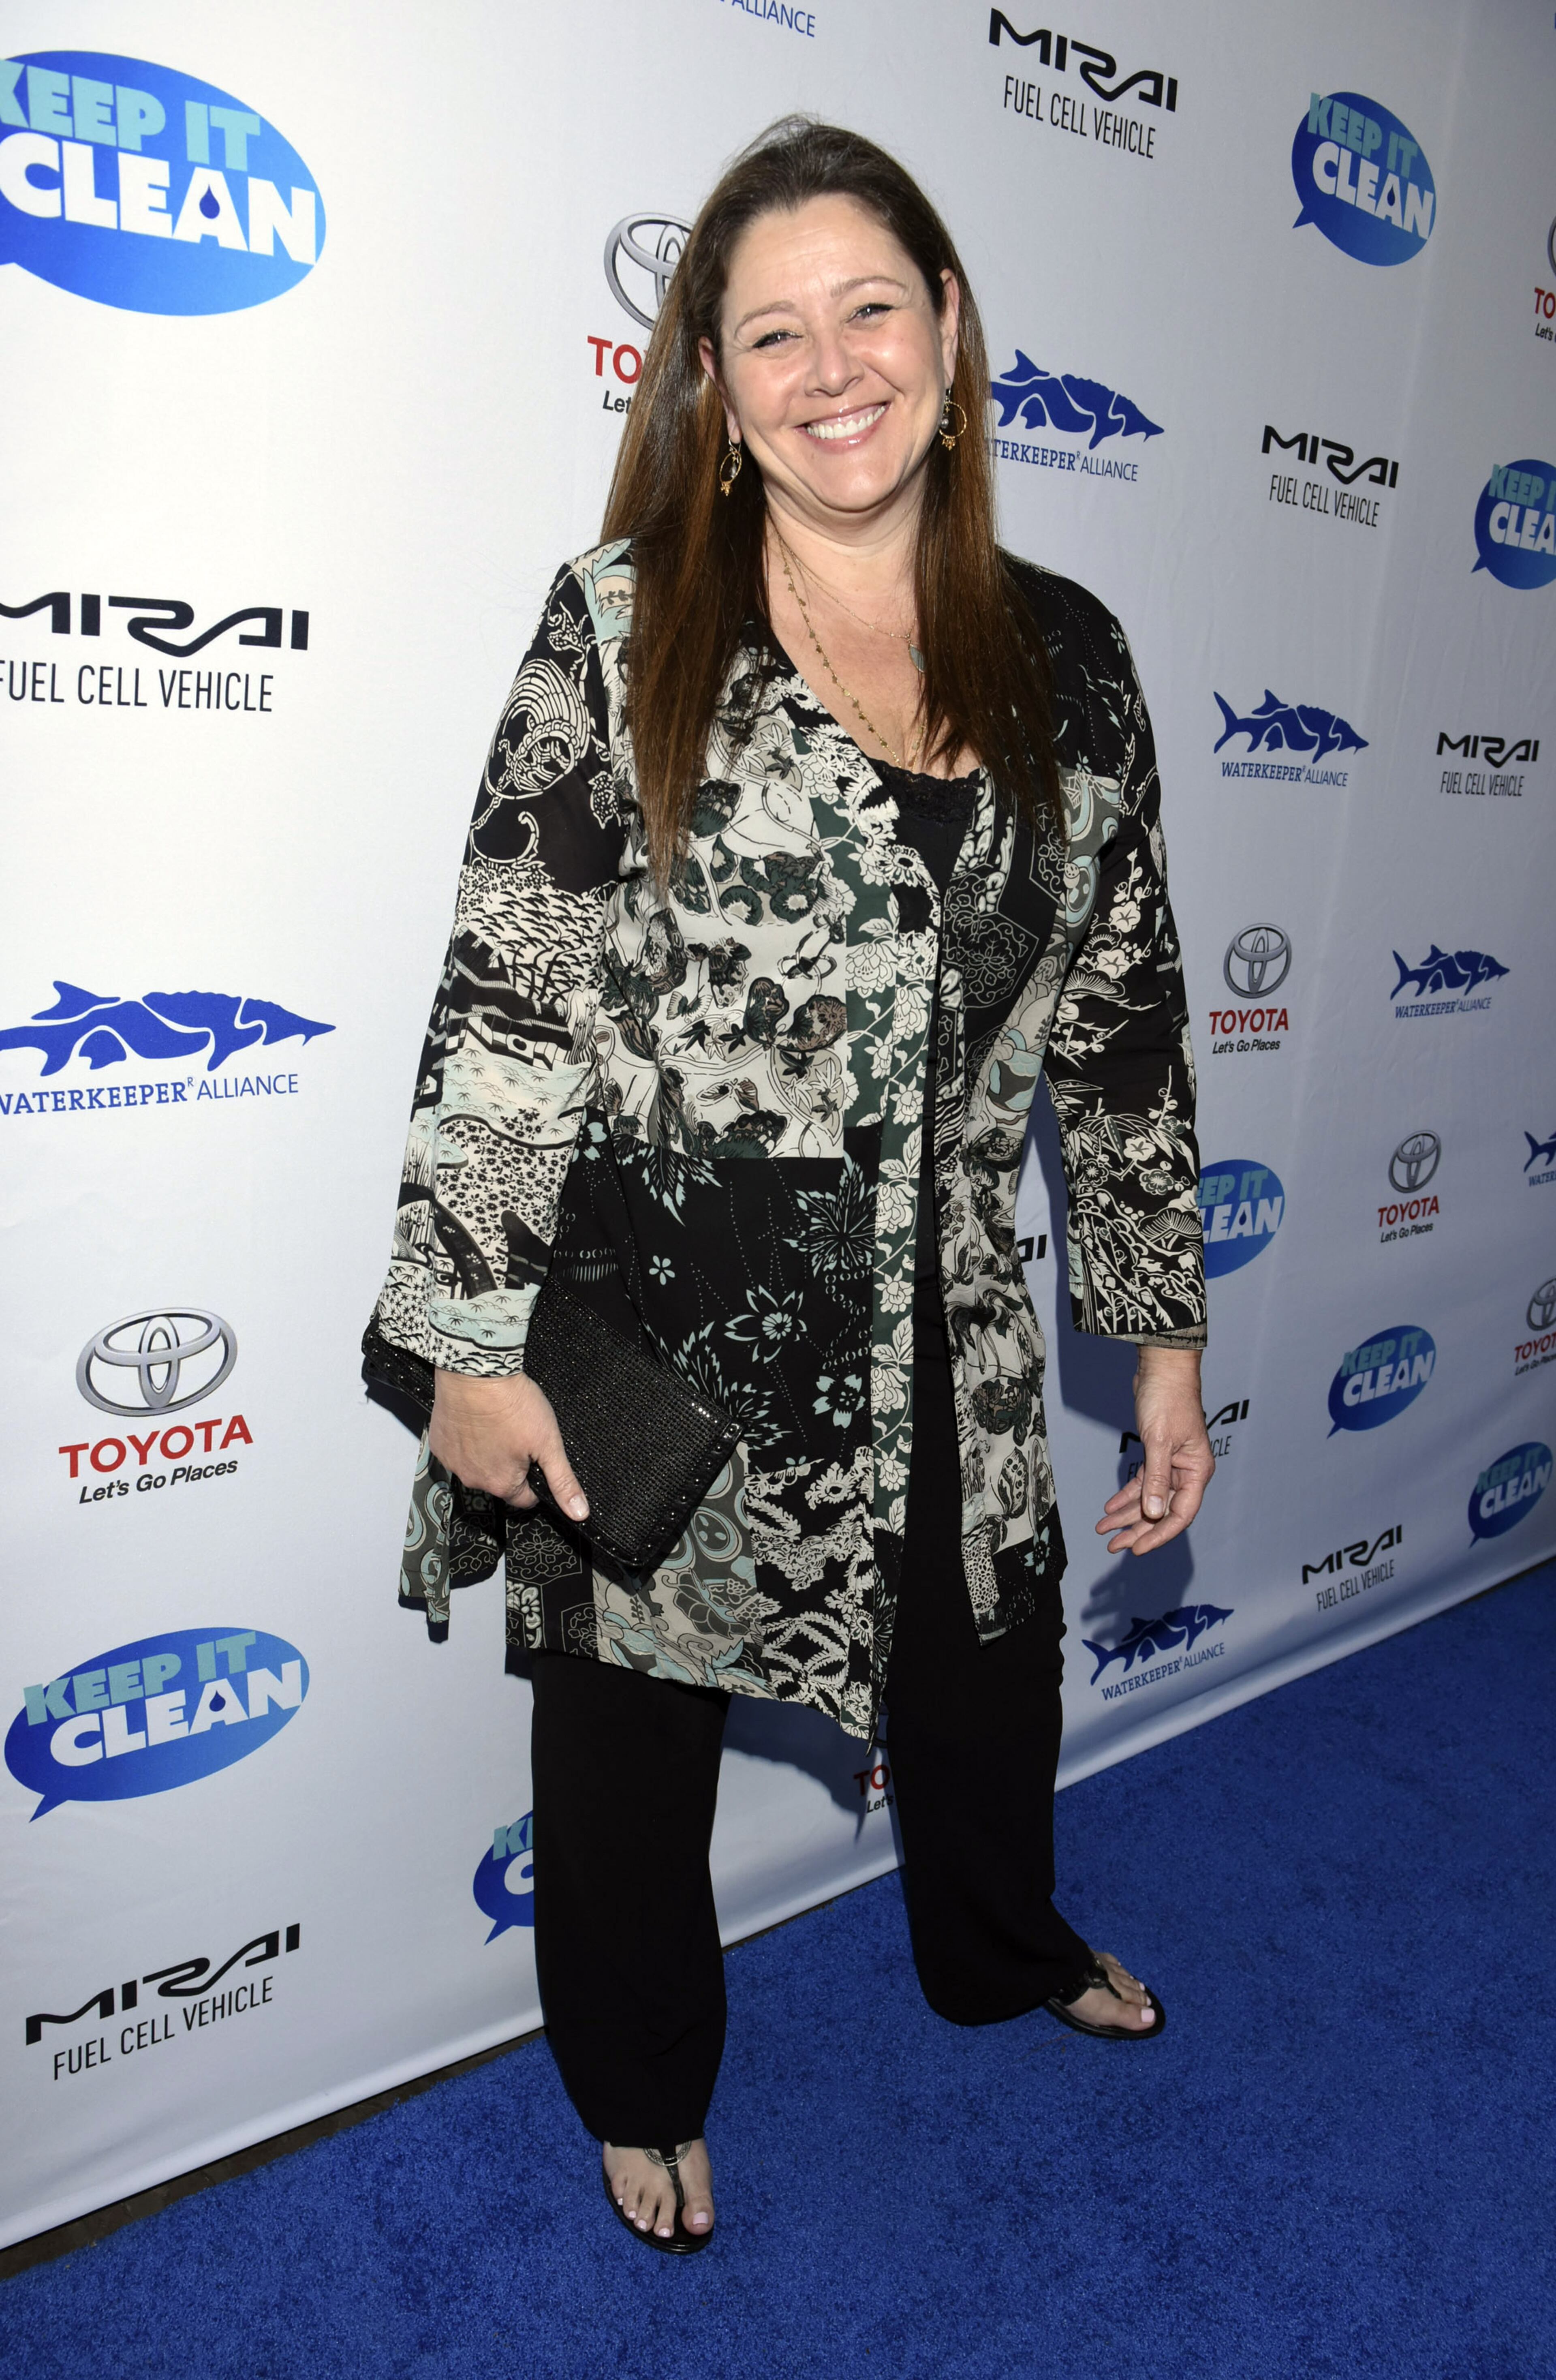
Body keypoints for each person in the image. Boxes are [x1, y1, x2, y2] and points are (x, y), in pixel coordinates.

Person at [371, 117, 1213, 2254]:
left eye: (871, 307)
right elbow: (510, 1000)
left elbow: (1122, 1034)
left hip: (955, 1320)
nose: (833, 365)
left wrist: (1170, 1348)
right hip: (667, 1319)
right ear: (715, 391)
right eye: (773, 332)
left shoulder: (1078, 653)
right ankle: (640, 2083)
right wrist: (467, 1347)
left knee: (989, 1680)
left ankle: (998, 1950)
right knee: (631, 1746)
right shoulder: (627, 626)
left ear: (949, 333)